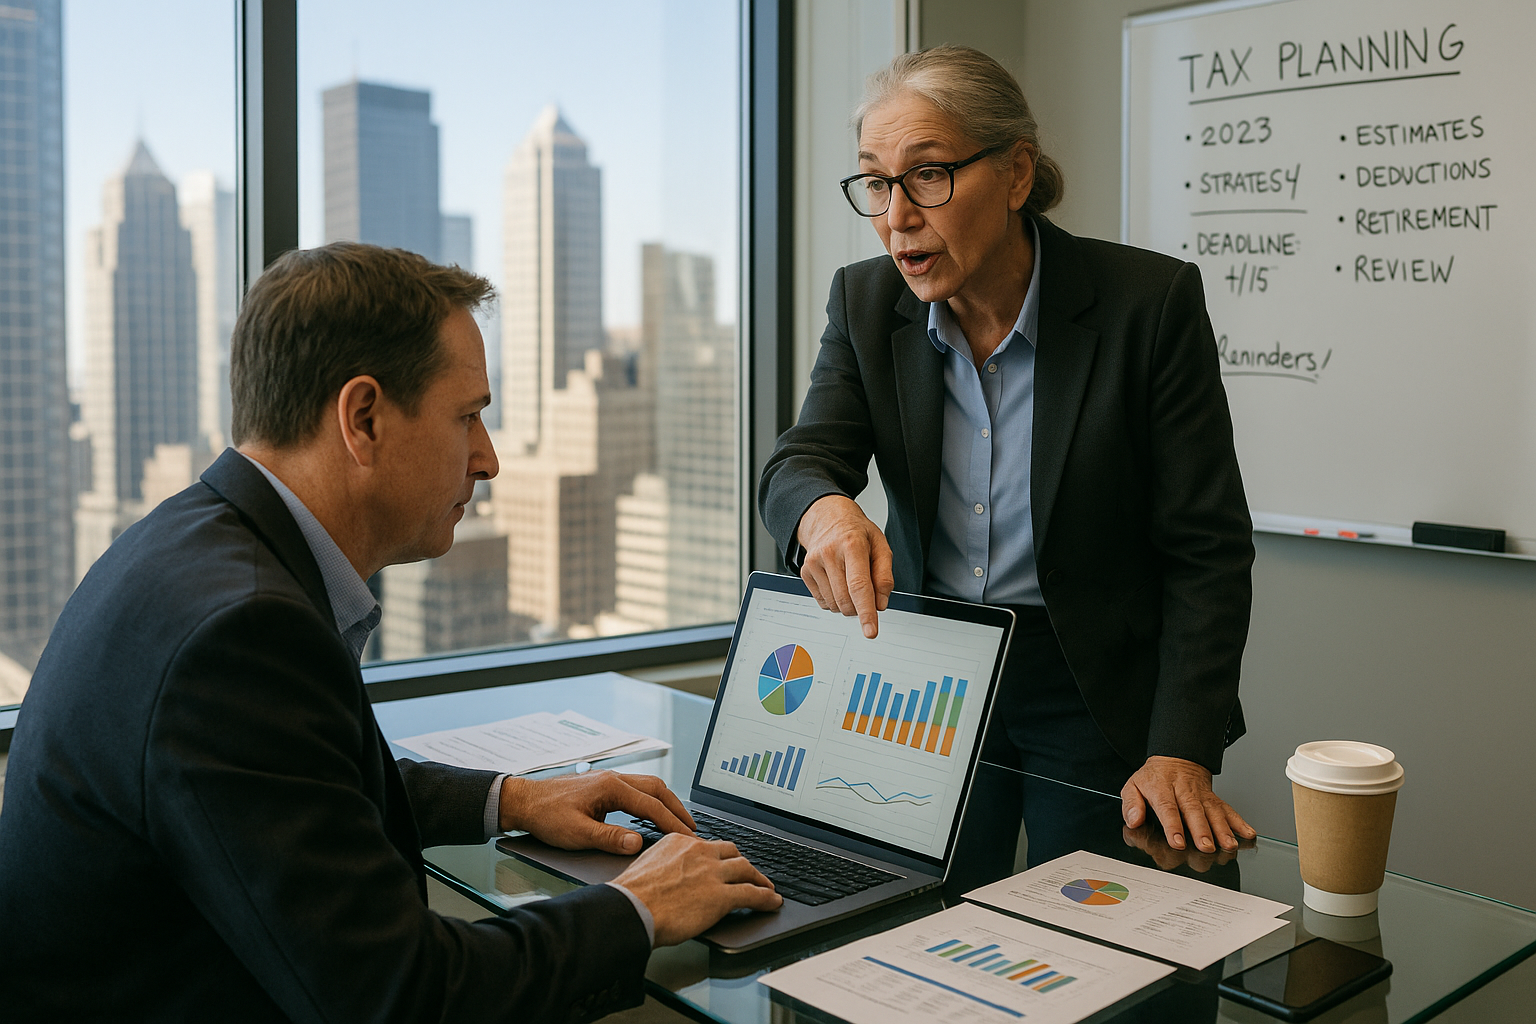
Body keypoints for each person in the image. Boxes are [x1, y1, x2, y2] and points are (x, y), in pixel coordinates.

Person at [0, 243, 780, 1021]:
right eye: (468, 416)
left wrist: (511, 800)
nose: (489, 459)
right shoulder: (240, 635)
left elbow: (295, 785)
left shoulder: (193, 544)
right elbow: (403, 1000)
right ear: (363, 418)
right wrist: (640, 907)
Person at [758, 45, 1258, 862]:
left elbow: (1207, 549)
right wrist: (823, 512)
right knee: (923, 943)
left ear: (1017, 173)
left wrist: (1183, 746)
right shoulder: (864, 299)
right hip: (929, 681)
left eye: (927, 175)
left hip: (1095, 681)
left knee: (1115, 956)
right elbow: (800, 459)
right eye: (877, 184)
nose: (898, 217)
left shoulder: (1149, 305)